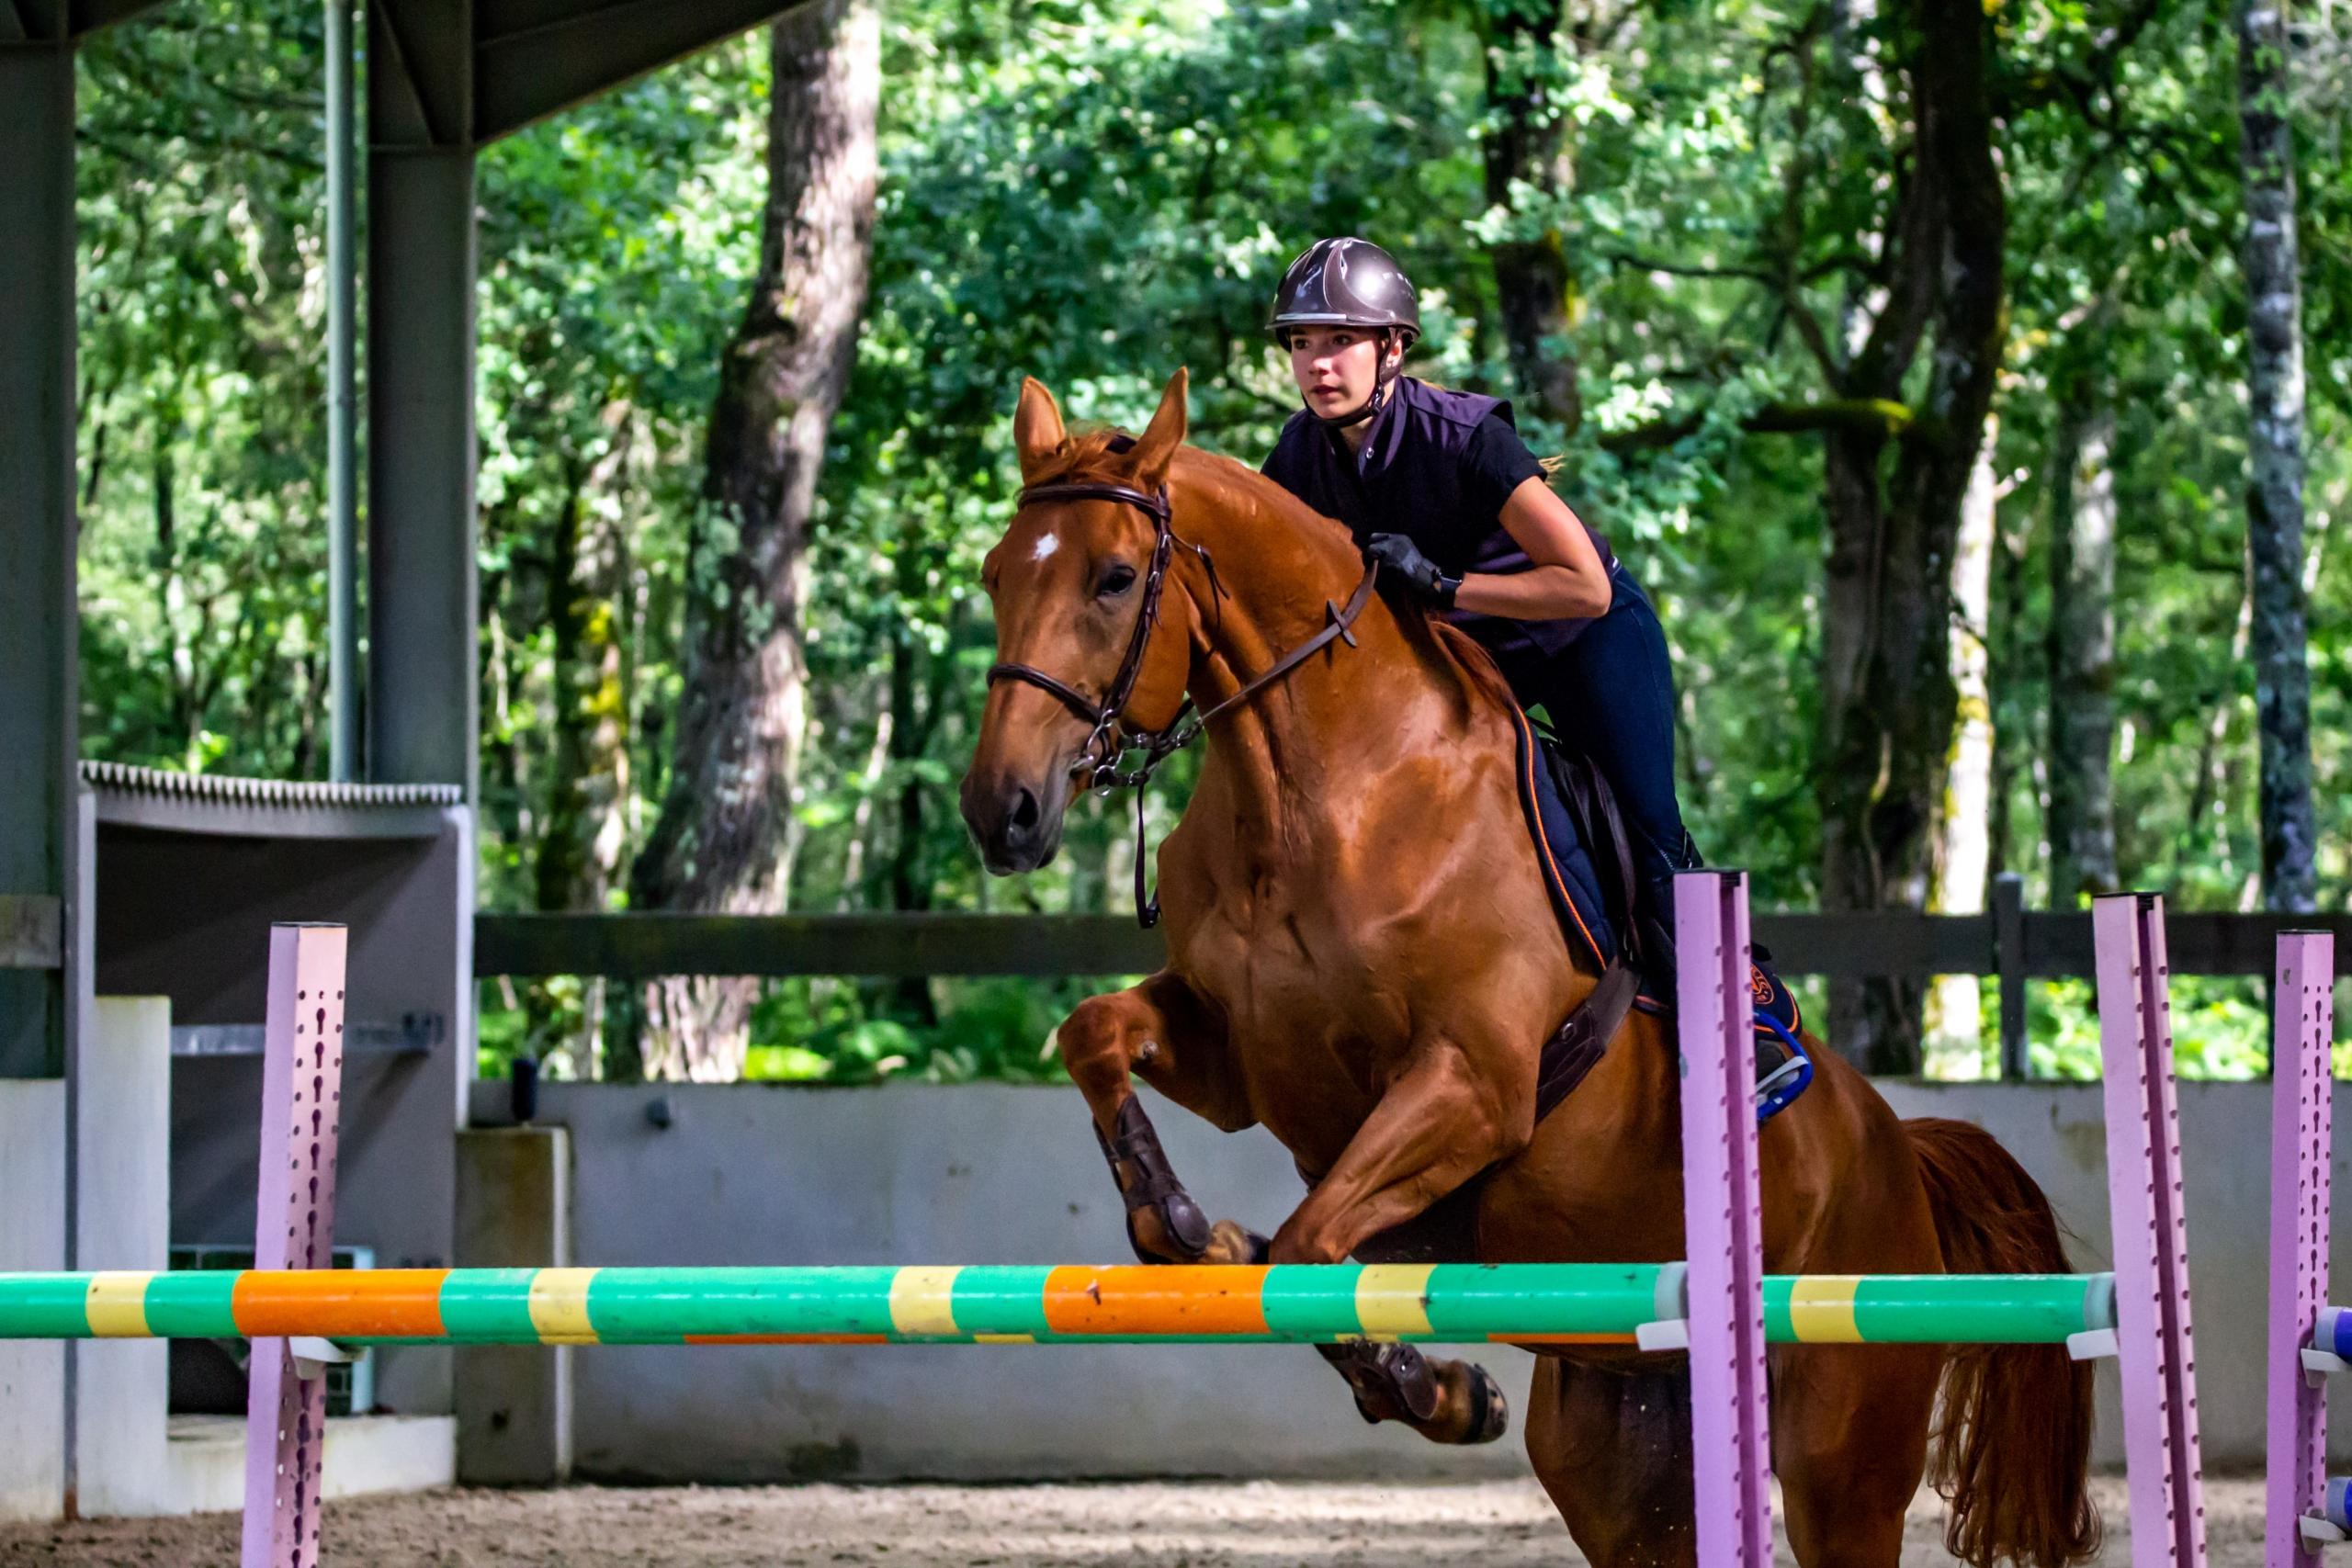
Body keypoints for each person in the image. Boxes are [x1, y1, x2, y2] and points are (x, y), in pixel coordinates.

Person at [1256, 239, 1800, 1096]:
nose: (1317, 366)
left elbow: (1581, 584)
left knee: (1645, 823)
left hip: (1581, 638)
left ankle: (1752, 1020)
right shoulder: (1297, 459)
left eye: (1338, 342)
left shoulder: (1466, 437)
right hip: (1470, 662)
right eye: (1301, 345)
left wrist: (1442, 582)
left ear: (1392, 348)